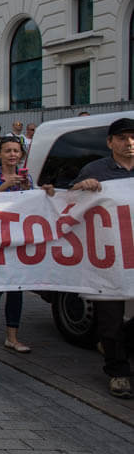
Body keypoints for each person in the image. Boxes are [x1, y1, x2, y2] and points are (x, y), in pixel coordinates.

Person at [68, 117, 134, 399]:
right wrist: (82, 187)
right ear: (110, 143)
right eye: (122, 138)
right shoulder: (95, 170)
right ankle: (118, 372)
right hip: (108, 258)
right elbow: (66, 202)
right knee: (110, 317)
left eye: (133, 137)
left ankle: (115, 346)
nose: (129, 143)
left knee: (119, 326)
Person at [0, 134, 33, 354]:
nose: (12, 155)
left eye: (16, 151)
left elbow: (33, 205)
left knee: (16, 288)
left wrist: (30, 190)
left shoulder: (26, 175)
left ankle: (12, 336)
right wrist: (6, 185)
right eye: (8, 151)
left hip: (17, 238)